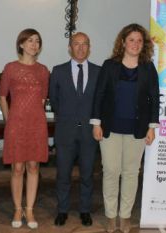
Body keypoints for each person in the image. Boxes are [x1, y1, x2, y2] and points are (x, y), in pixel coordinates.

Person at [91, 23, 159, 233]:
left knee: (131, 173)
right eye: (131, 40)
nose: (135, 44)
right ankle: (111, 216)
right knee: (111, 171)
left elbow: (155, 99)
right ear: (123, 42)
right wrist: (96, 123)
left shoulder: (148, 67)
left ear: (144, 44)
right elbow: (99, 95)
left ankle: (125, 216)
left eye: (139, 40)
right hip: (110, 127)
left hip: (137, 129)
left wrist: (151, 127)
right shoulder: (110, 65)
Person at [0, 28, 49, 229]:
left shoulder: (43, 70)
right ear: (21, 44)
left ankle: (30, 209)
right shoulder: (10, 68)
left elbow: (43, 98)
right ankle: (18, 208)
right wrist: (10, 119)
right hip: (15, 123)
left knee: (34, 166)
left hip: (36, 123)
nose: (34, 44)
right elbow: (2, 96)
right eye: (29, 41)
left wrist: (33, 116)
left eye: (37, 41)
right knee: (18, 167)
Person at [49, 32, 101, 227]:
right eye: (76, 44)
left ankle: (85, 210)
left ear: (89, 47)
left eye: (84, 44)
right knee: (63, 174)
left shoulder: (98, 71)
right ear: (70, 47)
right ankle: (62, 210)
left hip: (89, 133)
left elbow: (100, 101)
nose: (80, 48)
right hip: (65, 132)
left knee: (87, 174)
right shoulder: (58, 71)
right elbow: (54, 101)